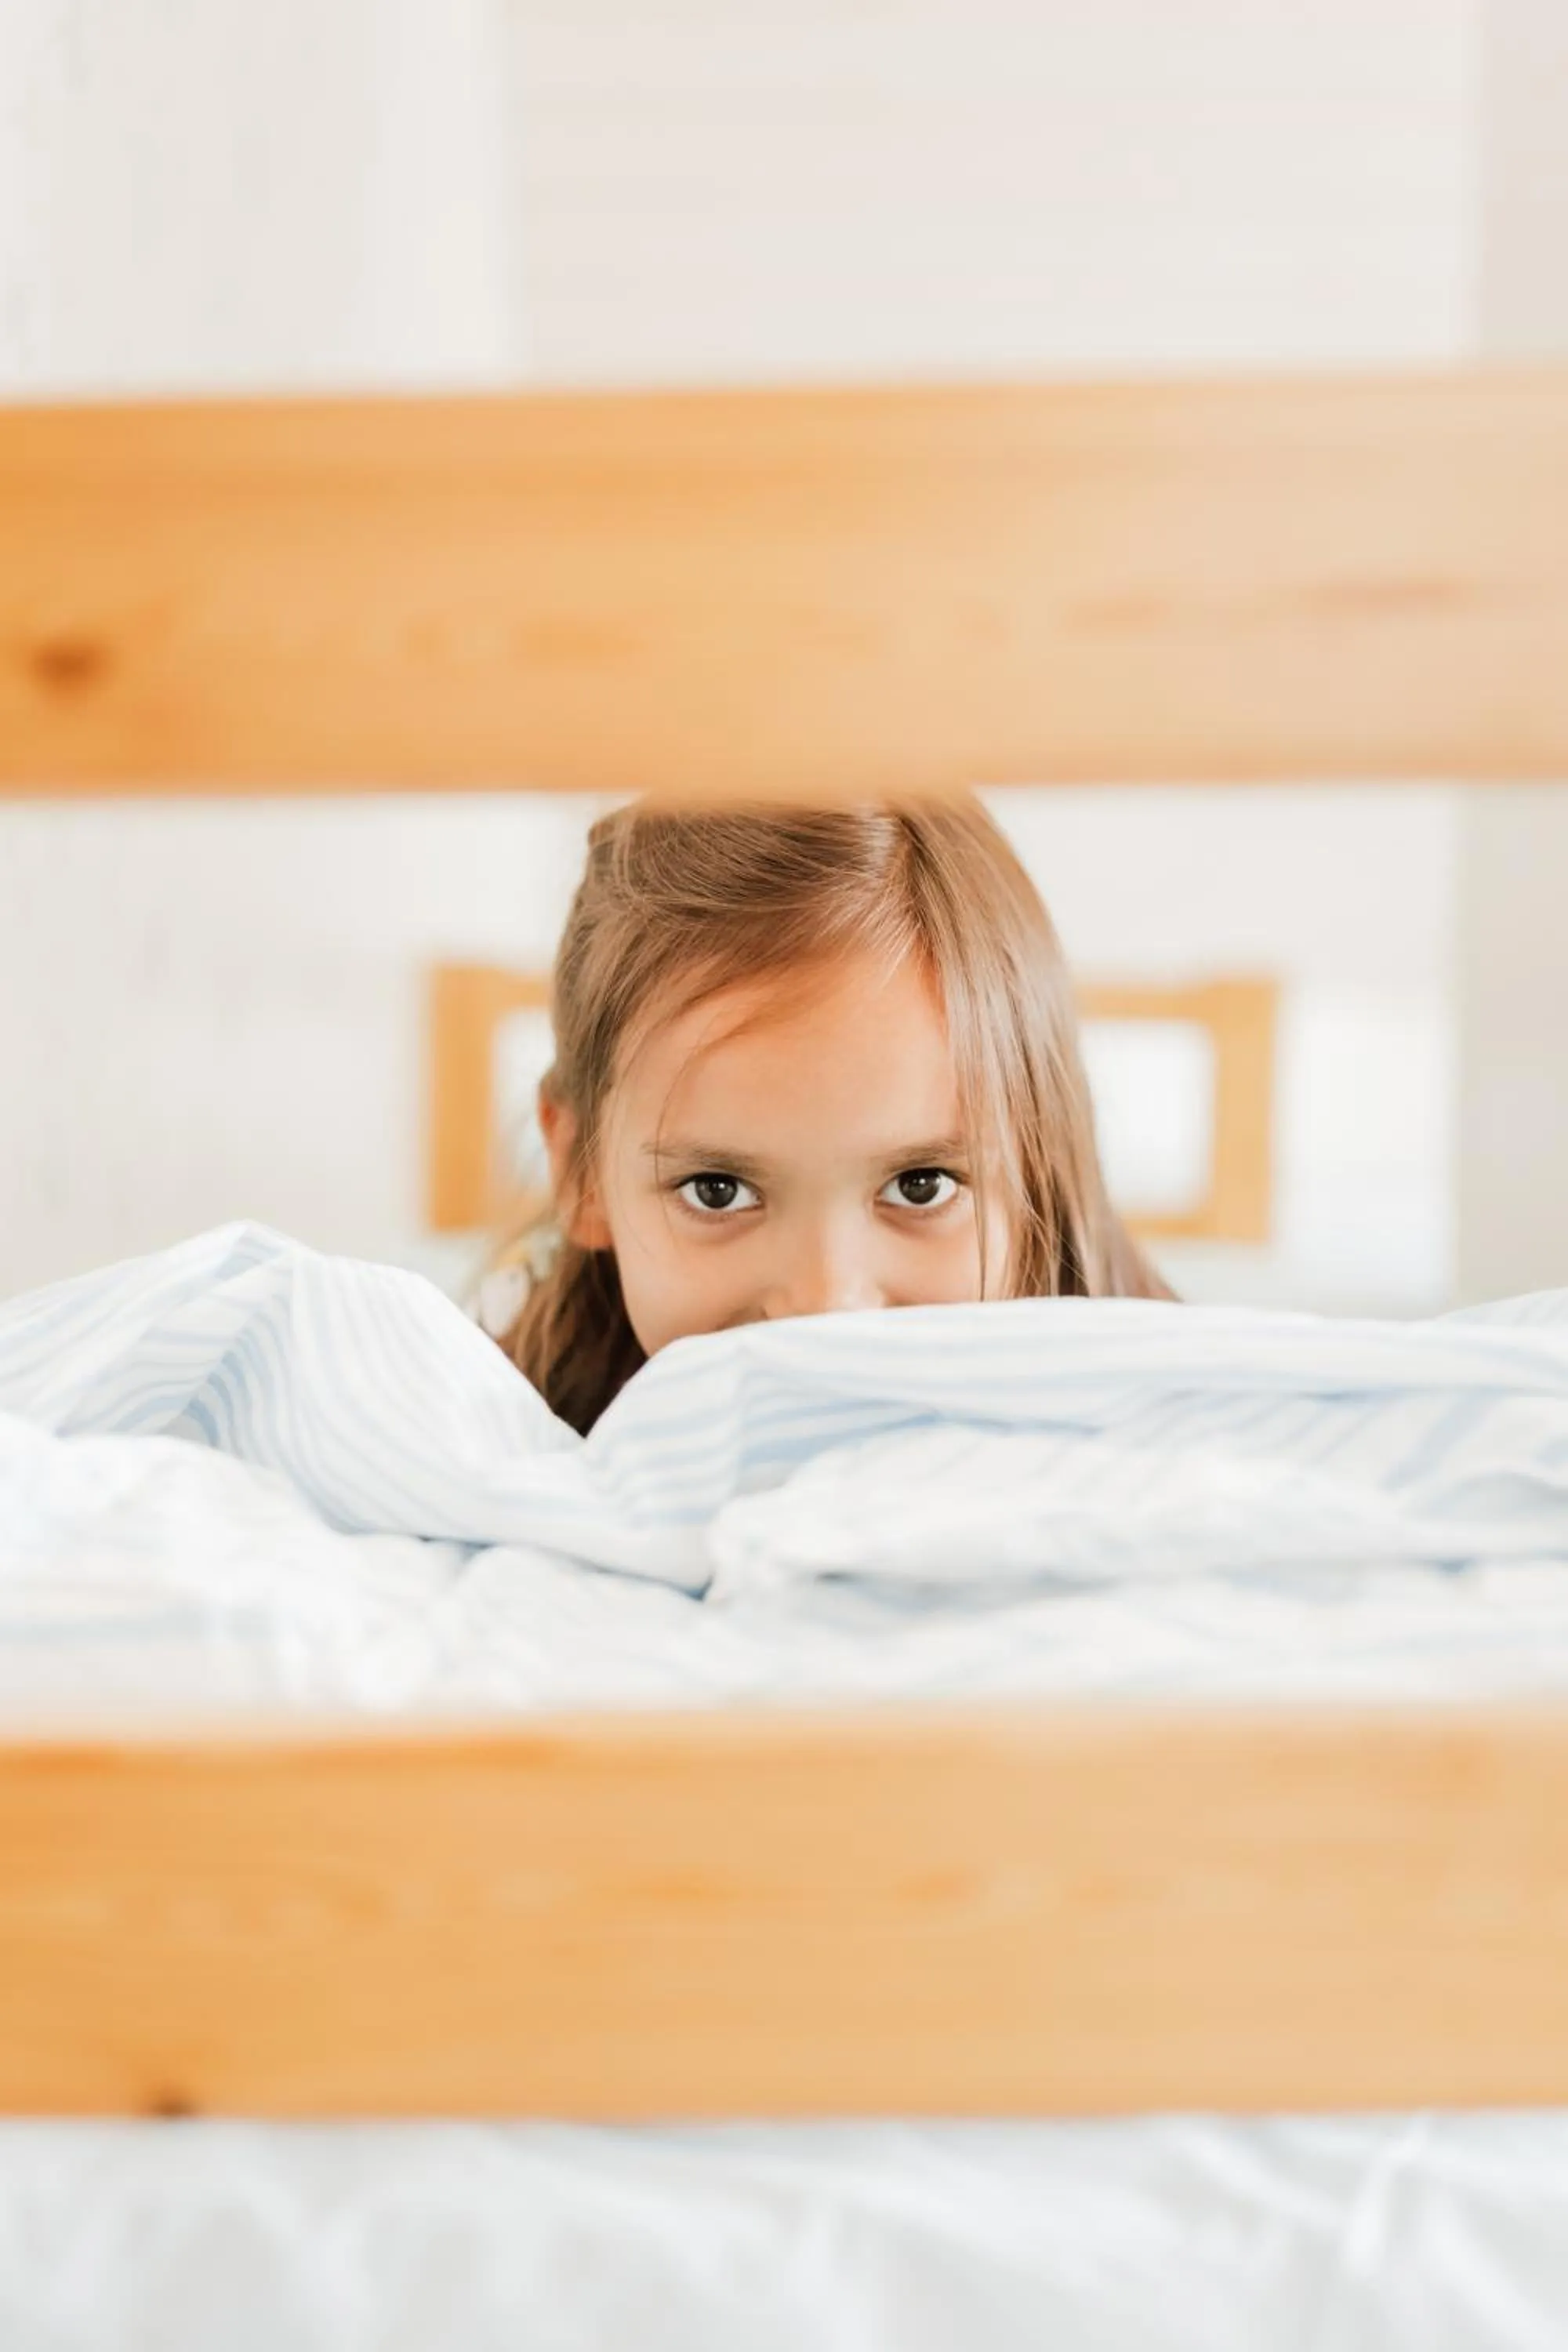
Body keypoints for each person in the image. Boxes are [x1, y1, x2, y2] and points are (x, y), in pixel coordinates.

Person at [497, 794, 1171, 1433]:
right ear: (581, 1173)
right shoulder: (485, 1454)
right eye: (717, 1192)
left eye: (921, 1185)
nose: (825, 1307)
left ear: (1041, 1164)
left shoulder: (1192, 1451)